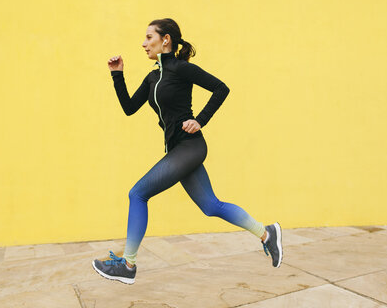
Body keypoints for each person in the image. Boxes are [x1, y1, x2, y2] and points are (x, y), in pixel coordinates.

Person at [92, 18, 283, 285]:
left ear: (165, 40)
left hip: (190, 147)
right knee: (210, 205)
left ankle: (128, 263)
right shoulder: (153, 77)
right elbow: (128, 107)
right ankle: (267, 233)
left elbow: (221, 88)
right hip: (177, 150)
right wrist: (117, 74)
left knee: (137, 194)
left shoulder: (181, 69)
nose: (144, 43)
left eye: (149, 37)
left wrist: (201, 120)